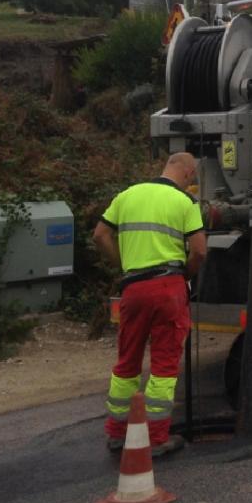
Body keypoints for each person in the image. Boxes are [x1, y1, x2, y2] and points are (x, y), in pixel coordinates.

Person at [93, 152, 207, 456]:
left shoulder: (127, 195)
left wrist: (125, 265)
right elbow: (199, 251)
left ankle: (117, 433)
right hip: (168, 286)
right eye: (192, 177)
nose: (191, 182)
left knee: (126, 362)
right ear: (187, 172)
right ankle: (157, 439)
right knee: (164, 365)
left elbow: (100, 234)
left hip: (133, 287)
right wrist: (186, 275)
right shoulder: (185, 202)